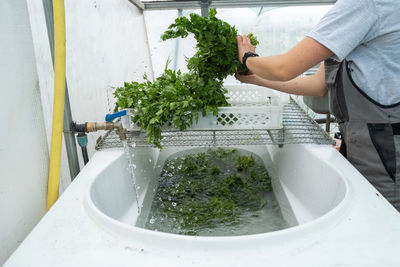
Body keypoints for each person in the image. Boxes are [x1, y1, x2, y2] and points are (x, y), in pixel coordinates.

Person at [235, 0, 400, 212]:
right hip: (367, 140)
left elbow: (283, 68)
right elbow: (318, 86)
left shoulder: (365, 4)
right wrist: (255, 79)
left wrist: (248, 58)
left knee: (384, 219)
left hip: (383, 145)